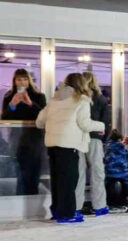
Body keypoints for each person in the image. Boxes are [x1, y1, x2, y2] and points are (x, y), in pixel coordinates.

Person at [34, 73, 105, 223]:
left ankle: (58, 212)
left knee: (57, 180)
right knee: (68, 180)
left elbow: (39, 122)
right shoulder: (81, 101)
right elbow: (85, 124)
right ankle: (67, 214)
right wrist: (101, 125)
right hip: (69, 144)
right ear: (82, 84)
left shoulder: (55, 99)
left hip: (52, 144)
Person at [2, 68, 47, 195]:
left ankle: (33, 201)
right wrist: (12, 104)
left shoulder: (39, 96)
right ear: (14, 81)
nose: (22, 82)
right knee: (21, 173)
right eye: (19, 79)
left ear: (29, 81)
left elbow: (44, 115)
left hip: (35, 139)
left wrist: (30, 103)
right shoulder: (9, 96)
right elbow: (5, 119)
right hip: (17, 140)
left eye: (25, 79)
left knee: (34, 172)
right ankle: (20, 200)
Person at [74, 72, 112, 216]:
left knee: (79, 173)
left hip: (77, 138)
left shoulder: (75, 98)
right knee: (97, 172)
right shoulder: (100, 98)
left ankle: (77, 206)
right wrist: (103, 132)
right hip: (94, 137)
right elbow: (106, 121)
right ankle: (99, 205)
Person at [103, 129, 128, 212]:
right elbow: (127, 157)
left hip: (110, 173)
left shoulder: (107, 147)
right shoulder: (121, 146)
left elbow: (105, 159)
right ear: (120, 138)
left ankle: (103, 202)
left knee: (105, 183)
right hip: (123, 173)